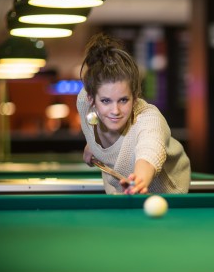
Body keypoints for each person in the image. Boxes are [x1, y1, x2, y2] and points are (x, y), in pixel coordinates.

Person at [76, 32, 191, 194]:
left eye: (123, 100)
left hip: (167, 194)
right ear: (91, 98)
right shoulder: (83, 102)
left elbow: (150, 151)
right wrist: (93, 144)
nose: (115, 111)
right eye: (106, 101)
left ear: (135, 98)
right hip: (121, 189)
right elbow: (94, 121)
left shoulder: (150, 120)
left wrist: (139, 180)